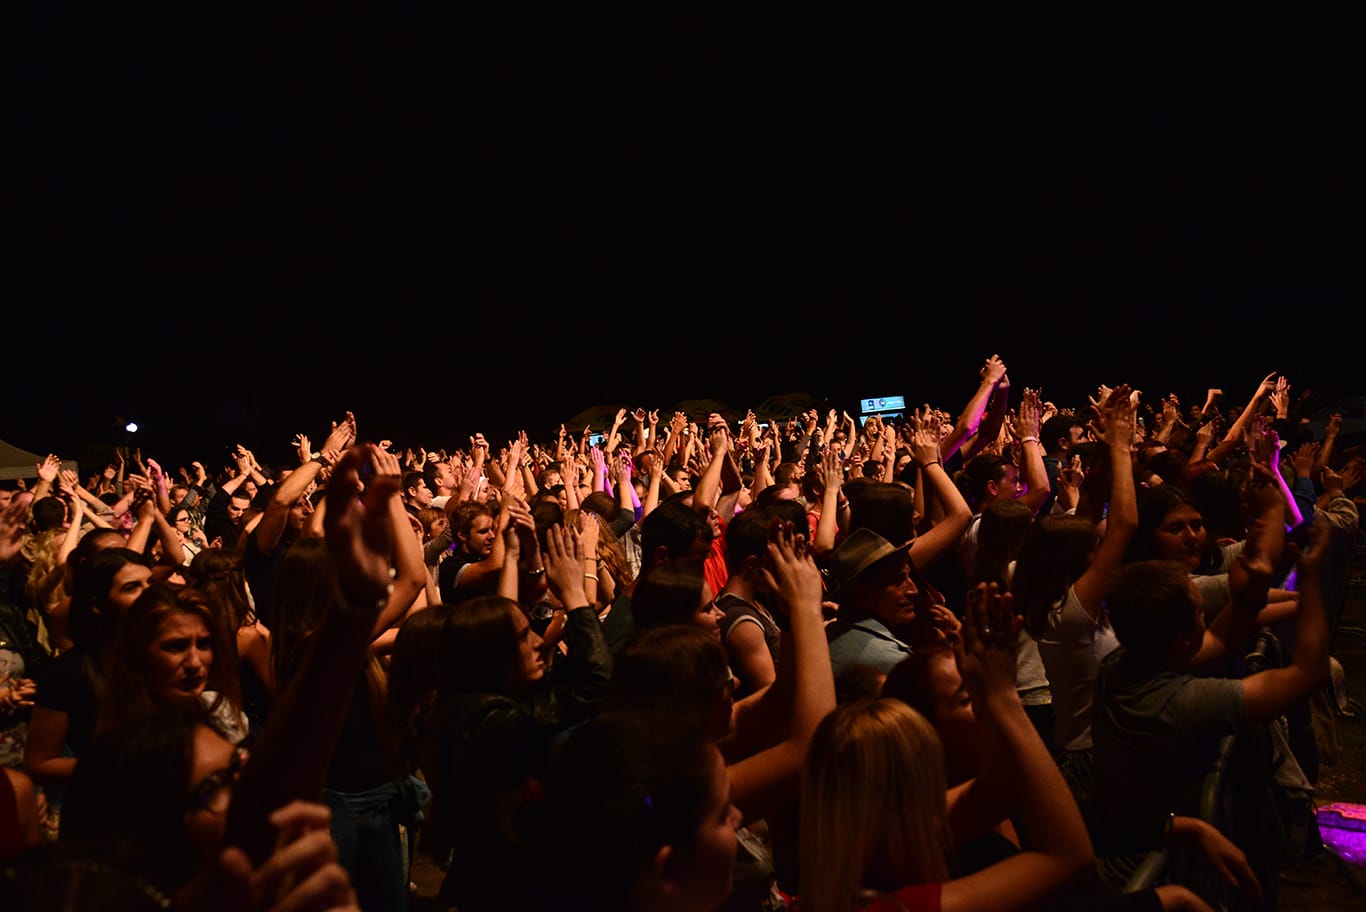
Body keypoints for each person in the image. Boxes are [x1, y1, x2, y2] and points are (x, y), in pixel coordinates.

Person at [1090, 510, 1347, 908]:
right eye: (1199, 613)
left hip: (1148, 850)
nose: (1205, 620)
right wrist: (1312, 581)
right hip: (1151, 875)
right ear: (1182, 637)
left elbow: (1219, 639)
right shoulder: (1175, 702)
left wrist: (1253, 587)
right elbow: (1306, 675)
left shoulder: (1124, 663)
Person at [795, 582, 1095, 912]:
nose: (980, 703)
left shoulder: (865, 843)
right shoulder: (891, 902)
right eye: (967, 697)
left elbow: (999, 789)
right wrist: (1001, 696)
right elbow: (1069, 858)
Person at [415, 522, 611, 912]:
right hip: (509, 888)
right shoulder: (489, 724)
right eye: (523, 639)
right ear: (495, 655)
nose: (539, 642)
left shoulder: (483, 698)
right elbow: (595, 681)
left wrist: (528, 560)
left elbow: (518, 619)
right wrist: (575, 596)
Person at [1010, 385, 1138, 812]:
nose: (1099, 546)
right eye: (1092, 547)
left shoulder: (1047, 591)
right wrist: (1121, 446)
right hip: (1094, 761)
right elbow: (1123, 525)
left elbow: (1092, 508)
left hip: (1092, 748)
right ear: (1076, 559)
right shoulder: (1069, 613)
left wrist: (1104, 447)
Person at [25, 548, 153, 789]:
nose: (149, 594)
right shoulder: (71, 671)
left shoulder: (165, 652)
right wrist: (123, 766)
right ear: (97, 604)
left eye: (151, 582)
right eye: (131, 588)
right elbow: (39, 763)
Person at [95, 581, 247, 745]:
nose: (194, 663)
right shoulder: (124, 744)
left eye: (203, 644)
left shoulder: (220, 710)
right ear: (138, 652)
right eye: (175, 647)